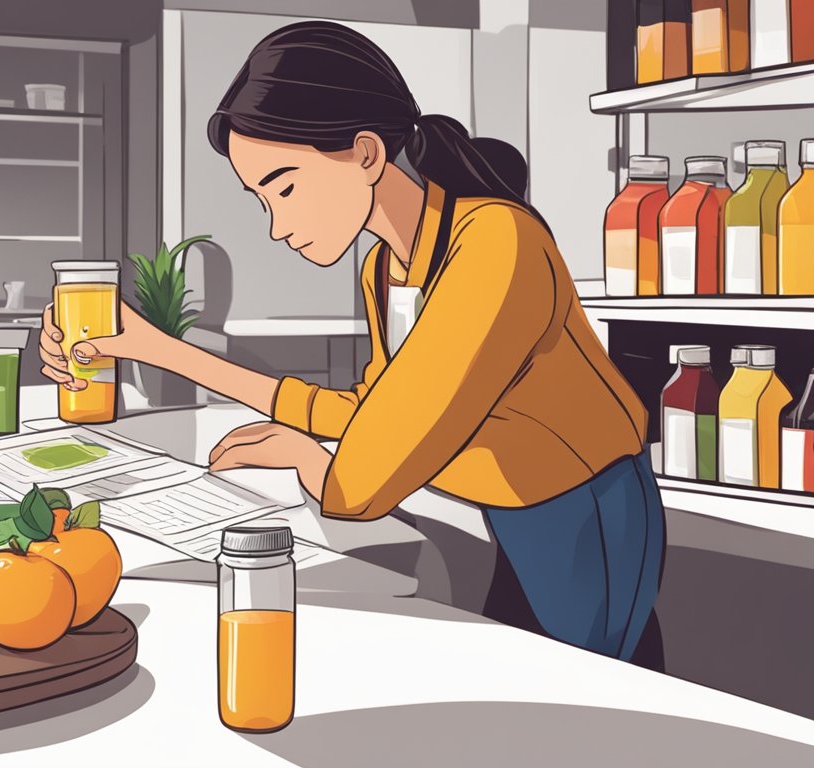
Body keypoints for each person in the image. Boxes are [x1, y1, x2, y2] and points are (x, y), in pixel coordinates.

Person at [38, 21, 663, 661]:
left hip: (585, 514)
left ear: (365, 153)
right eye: (261, 200)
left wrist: (314, 459)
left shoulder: (498, 244)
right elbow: (373, 407)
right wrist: (152, 347)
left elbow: (366, 476)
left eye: (284, 187)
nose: (278, 226)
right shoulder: (385, 267)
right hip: (509, 514)